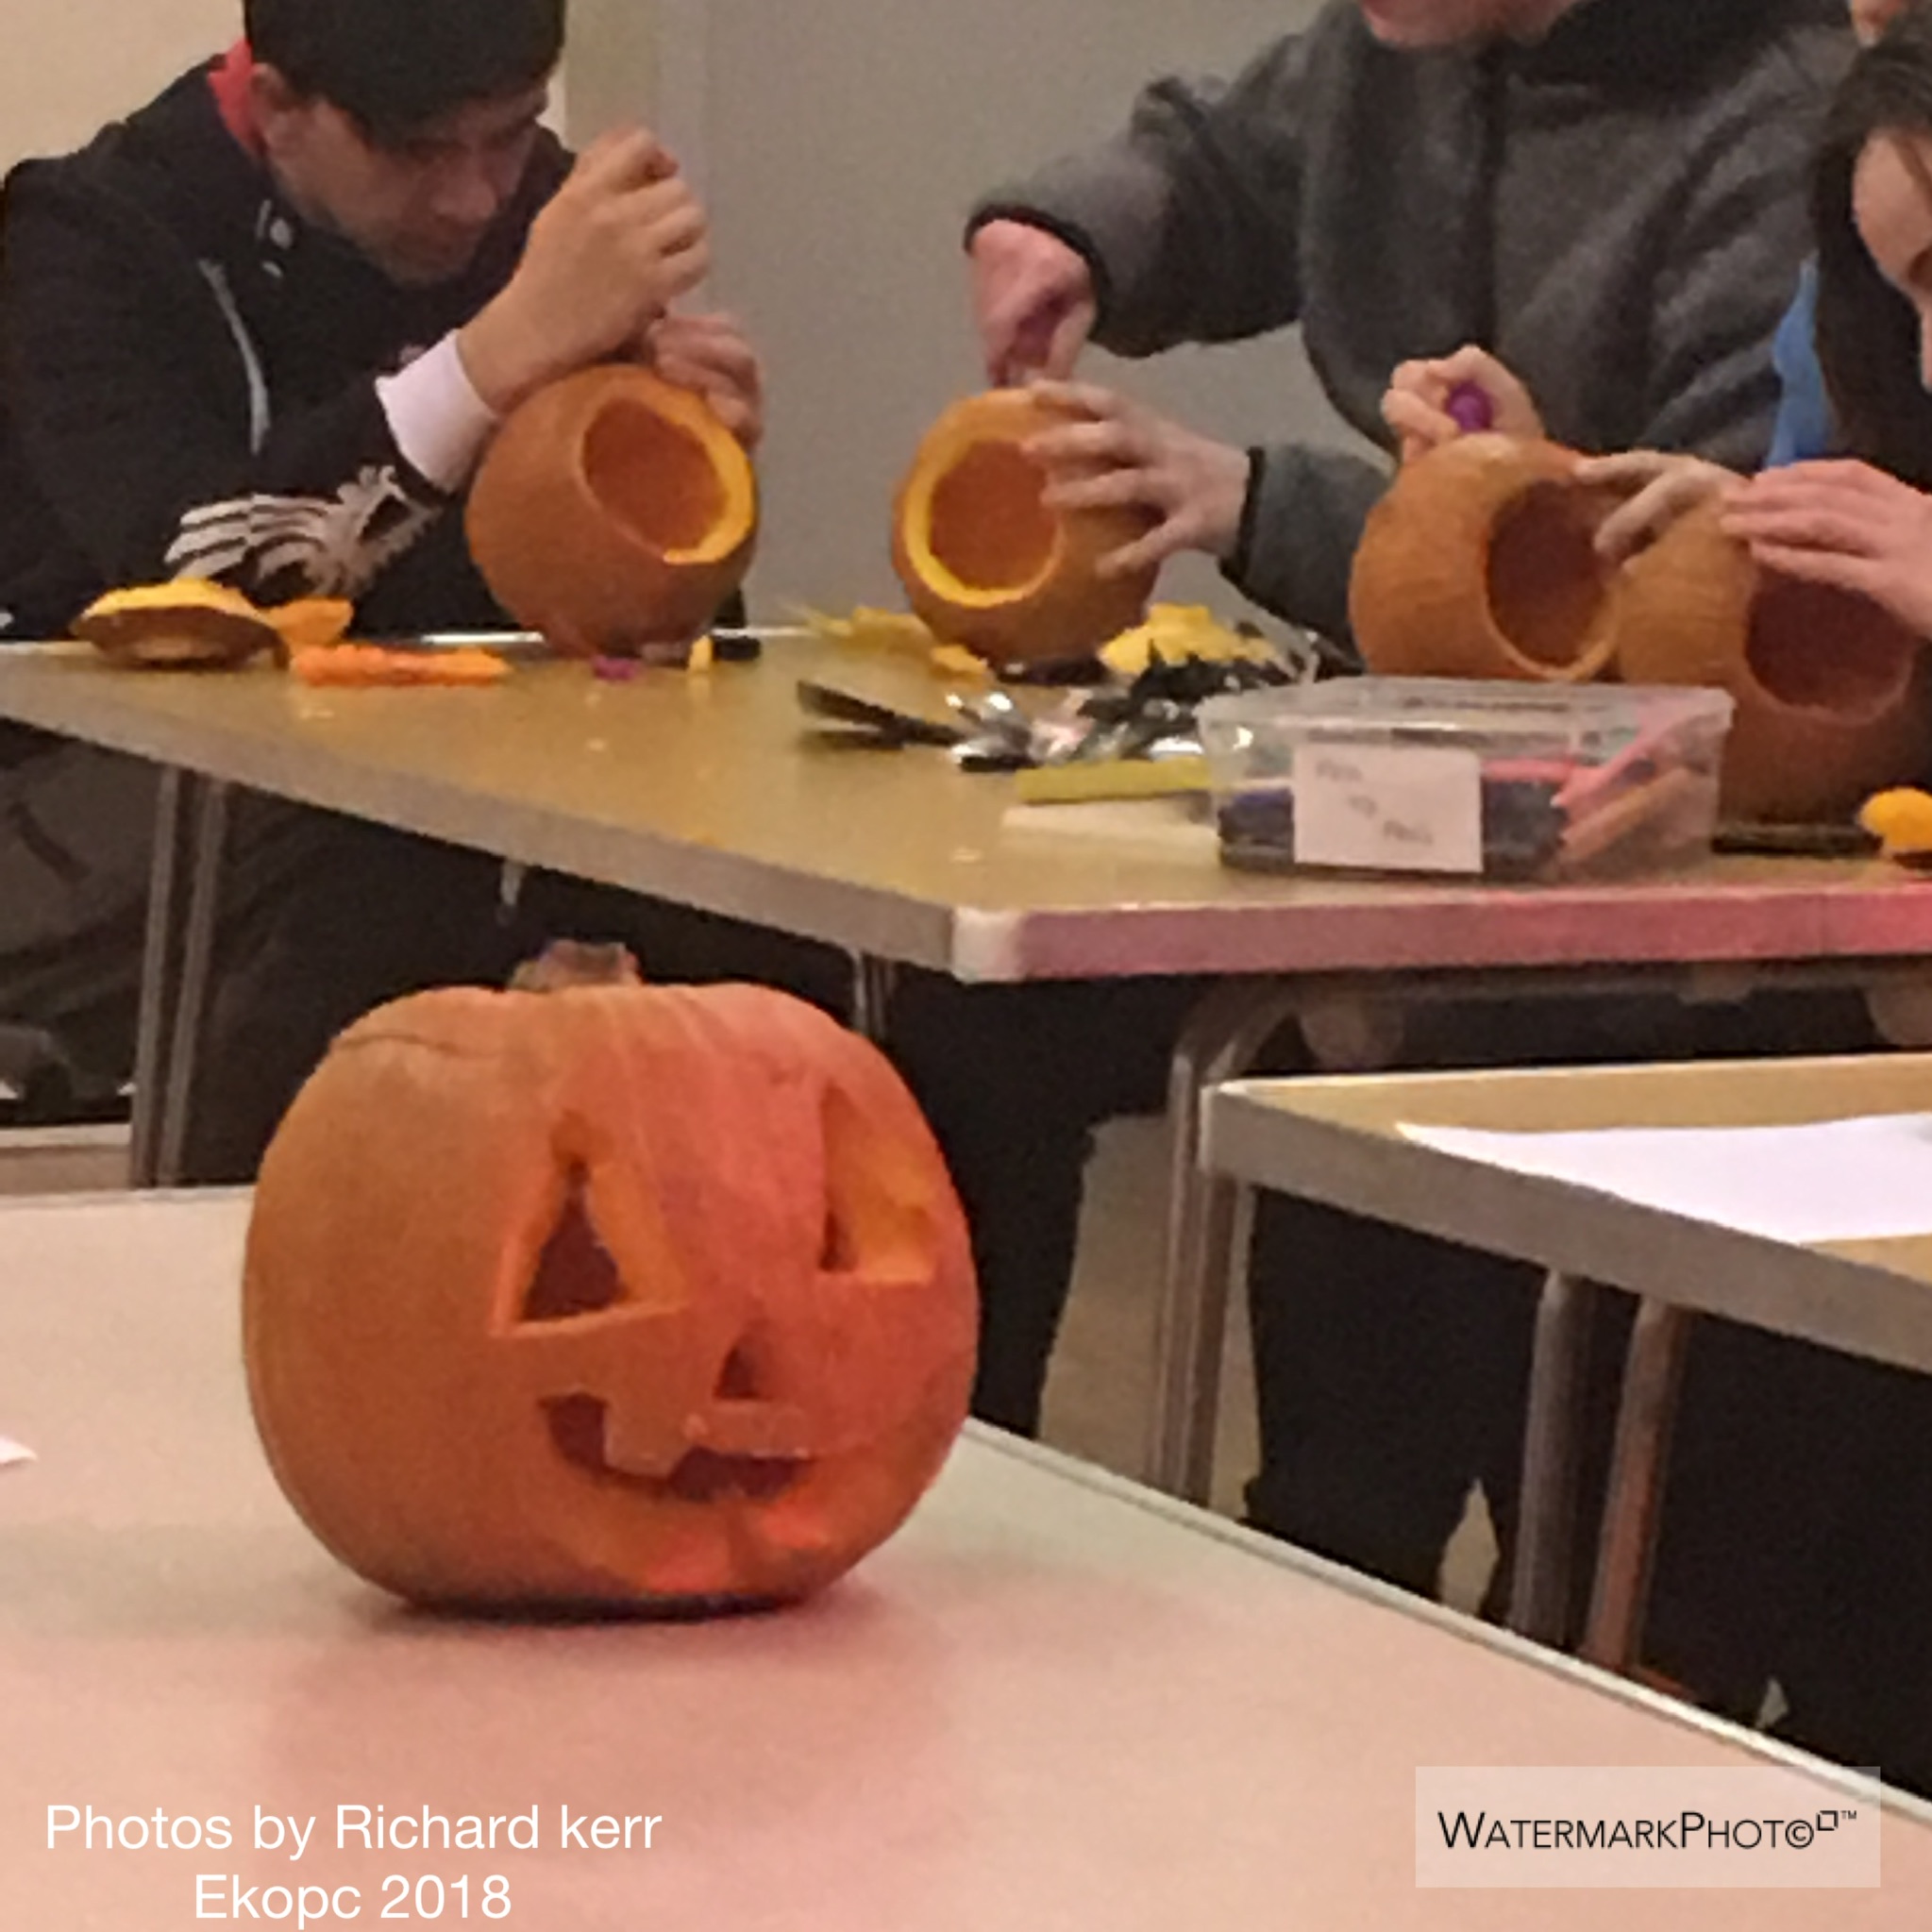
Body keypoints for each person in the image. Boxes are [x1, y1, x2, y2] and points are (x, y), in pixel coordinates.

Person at [915, 0, 1852, 1436]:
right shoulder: (1395, 39)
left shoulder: (1775, 127)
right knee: (975, 1023)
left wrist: (1258, 503)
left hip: (1647, 907)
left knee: (1389, 1178)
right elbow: (1239, 165)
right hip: (1419, 809)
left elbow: (1680, 607)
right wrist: (1081, 231)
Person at [0, 0, 801, 1177]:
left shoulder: (539, 213)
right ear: (277, 106)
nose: (474, 199)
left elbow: (630, 638)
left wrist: (662, 472)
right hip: (72, 805)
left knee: (758, 886)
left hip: (435, 779)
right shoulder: (86, 237)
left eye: (511, 136)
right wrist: (493, 361)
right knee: (380, 823)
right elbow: (197, 576)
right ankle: (259, 1289)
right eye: (419, 151)